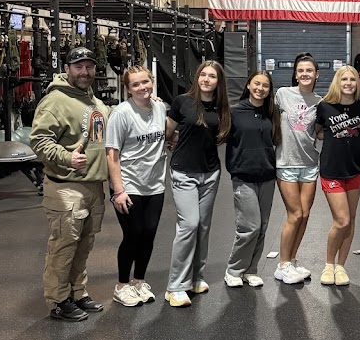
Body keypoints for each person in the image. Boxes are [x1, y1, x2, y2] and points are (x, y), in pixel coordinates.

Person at [30, 46, 109, 322]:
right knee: (63, 247)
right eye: (78, 67)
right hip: (66, 186)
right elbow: (39, 141)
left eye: (89, 67)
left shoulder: (94, 101)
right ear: (67, 69)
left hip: (93, 186)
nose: (84, 72)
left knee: (83, 246)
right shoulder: (55, 101)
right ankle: (58, 300)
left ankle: (77, 291)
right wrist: (66, 157)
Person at [164, 60, 230, 308]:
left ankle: (195, 278)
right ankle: (175, 286)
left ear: (218, 81)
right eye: (203, 74)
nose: (206, 79)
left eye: (212, 76)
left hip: (210, 173)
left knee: (202, 226)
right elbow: (167, 131)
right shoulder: (182, 102)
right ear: (197, 77)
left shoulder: (222, 108)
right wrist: (175, 140)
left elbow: (219, 136)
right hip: (184, 172)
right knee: (189, 225)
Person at [106, 65, 167, 307]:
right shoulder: (121, 114)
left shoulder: (160, 107)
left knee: (149, 234)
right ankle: (121, 286)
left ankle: (138, 281)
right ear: (128, 89)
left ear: (152, 81)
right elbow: (112, 154)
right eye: (136, 84)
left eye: (145, 82)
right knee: (133, 235)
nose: (142, 87)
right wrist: (118, 190)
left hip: (155, 183)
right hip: (128, 184)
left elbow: (164, 136)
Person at [224, 70, 281, 289]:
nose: (260, 88)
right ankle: (234, 270)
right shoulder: (234, 112)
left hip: (267, 175)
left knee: (262, 227)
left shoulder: (271, 113)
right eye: (257, 84)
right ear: (248, 85)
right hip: (243, 176)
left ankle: (251, 269)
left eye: (265, 85)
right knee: (250, 226)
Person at [315, 64, 360, 286]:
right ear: (337, 82)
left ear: (358, 83)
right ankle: (329, 265)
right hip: (332, 171)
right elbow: (317, 132)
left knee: (351, 220)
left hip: (354, 170)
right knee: (342, 220)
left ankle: (341, 266)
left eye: (352, 79)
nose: (348, 83)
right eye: (344, 79)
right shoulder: (325, 106)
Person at [274, 53, 322, 284]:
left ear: (316, 74)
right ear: (295, 74)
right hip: (286, 163)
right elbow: (267, 116)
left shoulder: (320, 102)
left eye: (309, 70)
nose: (305, 74)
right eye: (301, 70)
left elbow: (319, 132)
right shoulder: (283, 94)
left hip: (309, 164)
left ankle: (292, 260)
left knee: (304, 215)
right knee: (294, 215)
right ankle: (282, 264)